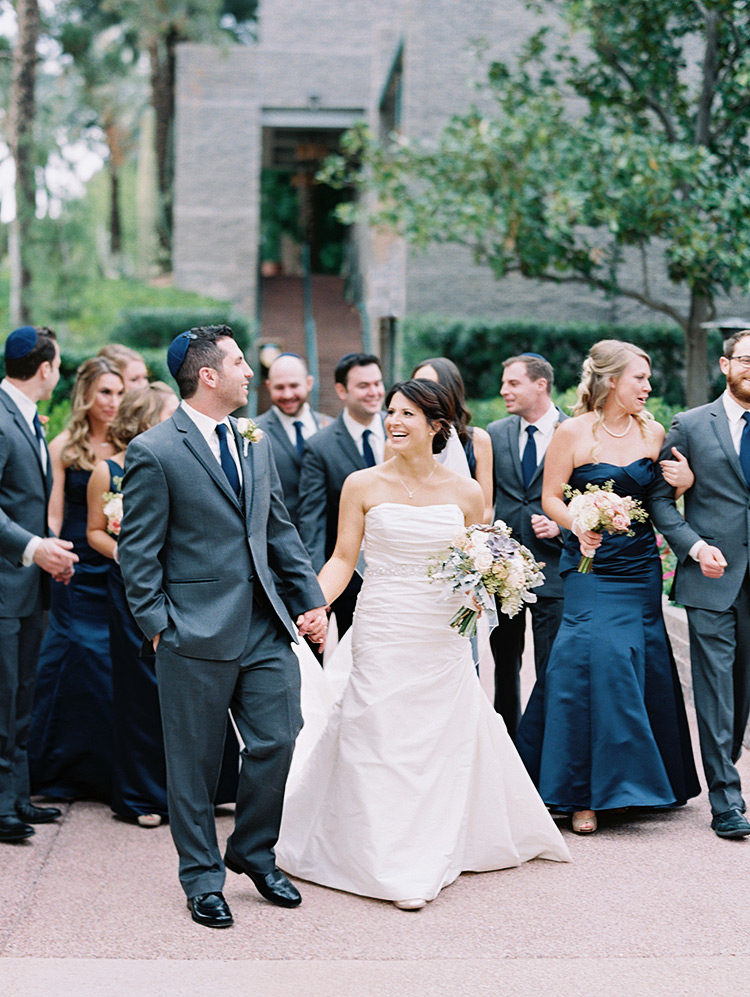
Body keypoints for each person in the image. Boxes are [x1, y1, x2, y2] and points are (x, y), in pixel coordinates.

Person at [276, 378, 570, 910]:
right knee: (376, 729)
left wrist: (488, 586)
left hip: (441, 630)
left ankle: (431, 842)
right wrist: (313, 603)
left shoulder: (466, 493)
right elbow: (344, 559)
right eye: (391, 412)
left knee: (437, 735)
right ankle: (379, 850)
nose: (393, 421)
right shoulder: (361, 484)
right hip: (384, 622)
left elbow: (475, 558)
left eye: (407, 414)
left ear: (436, 427)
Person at [118, 325, 327, 929]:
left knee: (279, 737)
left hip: (265, 623)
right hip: (192, 632)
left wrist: (308, 599)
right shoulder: (155, 449)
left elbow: (278, 528)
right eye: (238, 362)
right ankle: (202, 878)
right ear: (207, 375)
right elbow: (139, 552)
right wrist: (160, 626)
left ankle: (253, 852)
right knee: (195, 764)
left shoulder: (254, 439)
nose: (248, 372)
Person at [516, 340, 700, 834]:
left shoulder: (654, 431)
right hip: (590, 568)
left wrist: (684, 482)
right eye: (639, 377)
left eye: (648, 378)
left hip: (640, 569)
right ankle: (581, 794)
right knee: (589, 664)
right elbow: (549, 497)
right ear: (611, 380)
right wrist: (576, 520)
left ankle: (638, 785)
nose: (648, 386)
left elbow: (661, 500)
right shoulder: (571, 432)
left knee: (638, 664)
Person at [87, 383, 239, 828]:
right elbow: (96, 530)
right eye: (169, 412)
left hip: (186, 586)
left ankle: (214, 788)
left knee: (201, 690)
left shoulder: (190, 458)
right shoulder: (110, 469)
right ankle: (143, 795)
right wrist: (130, 554)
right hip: (134, 589)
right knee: (142, 692)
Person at [650, 329, 750, 839]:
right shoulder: (689, 425)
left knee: (741, 691)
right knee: (715, 689)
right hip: (710, 575)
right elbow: (661, 501)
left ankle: (722, 760)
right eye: (746, 359)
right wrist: (692, 546)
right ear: (725, 364)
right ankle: (726, 799)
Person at [28, 357, 125, 803]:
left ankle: (111, 774)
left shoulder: (130, 446)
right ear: (86, 394)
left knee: (115, 661)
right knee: (77, 656)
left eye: (119, 393)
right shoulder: (63, 446)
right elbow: (51, 512)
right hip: (75, 565)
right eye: (105, 392)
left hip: (119, 565)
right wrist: (53, 551)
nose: (113, 402)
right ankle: (57, 768)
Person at [0, 327, 78, 843]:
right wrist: (33, 548)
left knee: (22, 693)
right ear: (46, 369)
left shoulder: (26, 417)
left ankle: (17, 797)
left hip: (29, 585)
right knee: (2, 697)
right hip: (5, 585)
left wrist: (48, 555)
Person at [485, 354, 567, 739]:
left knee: (552, 665)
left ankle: (546, 747)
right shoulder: (496, 433)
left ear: (541, 385)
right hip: (504, 572)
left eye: (513, 383)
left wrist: (562, 527)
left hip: (556, 571)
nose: (504, 390)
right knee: (504, 666)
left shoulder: (574, 431)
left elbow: (585, 496)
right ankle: (509, 745)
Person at [297, 352, 385, 638]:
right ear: (341, 391)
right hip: (346, 581)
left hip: (396, 574)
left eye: (377, 383)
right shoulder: (319, 447)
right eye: (363, 386)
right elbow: (313, 521)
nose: (374, 392)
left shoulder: (401, 431)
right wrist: (317, 590)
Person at [411, 357, 493, 521]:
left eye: (429, 386)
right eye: (416, 386)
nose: (420, 394)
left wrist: (459, 536)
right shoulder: (397, 442)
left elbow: (486, 509)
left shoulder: (478, 440)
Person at [256, 352, 332, 526]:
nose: (288, 395)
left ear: (309, 383)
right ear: (268, 386)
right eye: (279, 387)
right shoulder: (253, 432)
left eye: (294, 385)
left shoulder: (331, 428)